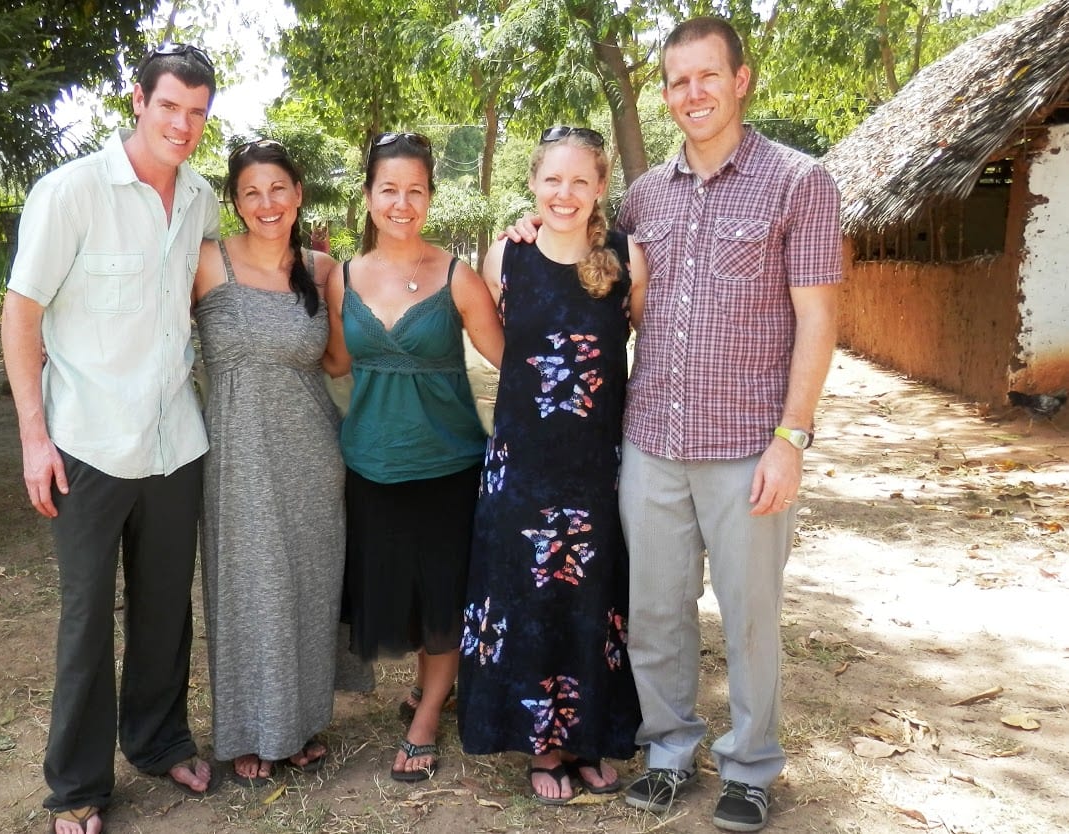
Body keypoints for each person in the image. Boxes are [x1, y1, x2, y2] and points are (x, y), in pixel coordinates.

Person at [507, 18, 841, 831]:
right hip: (650, 444)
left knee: (750, 614)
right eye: (675, 80)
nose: (690, 93)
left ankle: (751, 765)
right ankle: (666, 751)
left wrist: (790, 439)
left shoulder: (800, 184)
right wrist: (524, 233)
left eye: (705, 77)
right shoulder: (642, 198)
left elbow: (818, 320)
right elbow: (574, 253)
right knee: (654, 612)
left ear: (741, 80)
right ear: (662, 93)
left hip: (746, 448)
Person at [2, 42, 219, 834]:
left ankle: (159, 740)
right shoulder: (70, 192)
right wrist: (34, 436)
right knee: (87, 618)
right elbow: (21, 314)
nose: (182, 125)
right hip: (88, 444)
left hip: (176, 442)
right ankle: (78, 787)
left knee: (165, 611)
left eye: (197, 113)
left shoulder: (199, 197)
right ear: (138, 100)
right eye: (169, 106)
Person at [457, 127, 648, 804]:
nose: (563, 194)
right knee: (533, 597)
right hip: (524, 467)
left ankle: (592, 736)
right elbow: (501, 353)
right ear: (533, 185)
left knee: (595, 600)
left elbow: (643, 345)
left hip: (597, 465)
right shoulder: (504, 256)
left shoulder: (627, 256)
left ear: (599, 189)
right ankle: (543, 746)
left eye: (578, 181)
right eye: (551, 181)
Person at [334, 131, 503, 783]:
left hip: (447, 466)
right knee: (398, 596)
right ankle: (433, 685)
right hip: (370, 465)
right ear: (369, 195)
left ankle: (428, 713)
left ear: (430, 196)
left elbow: (510, 359)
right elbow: (332, 359)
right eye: (388, 189)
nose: (401, 203)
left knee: (443, 598)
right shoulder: (342, 278)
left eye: (415, 191)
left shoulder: (456, 276)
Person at [192, 139, 344, 787]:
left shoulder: (325, 268)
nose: (266, 203)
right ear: (234, 201)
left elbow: (339, 362)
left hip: (313, 451)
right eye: (251, 192)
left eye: (277, 188)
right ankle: (251, 730)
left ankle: (300, 724)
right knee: (248, 587)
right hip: (234, 453)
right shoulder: (204, 262)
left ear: (298, 192)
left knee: (308, 586)